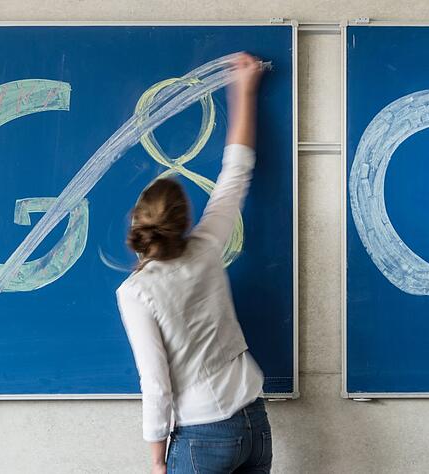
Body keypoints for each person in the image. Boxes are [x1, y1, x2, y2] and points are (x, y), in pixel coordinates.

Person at [116, 53, 271, 474]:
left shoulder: (136, 292)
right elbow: (235, 173)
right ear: (184, 221)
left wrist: (155, 460)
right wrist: (245, 91)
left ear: (136, 222)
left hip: (202, 434)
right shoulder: (205, 248)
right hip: (254, 421)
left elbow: (155, 382)